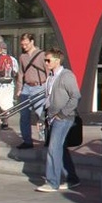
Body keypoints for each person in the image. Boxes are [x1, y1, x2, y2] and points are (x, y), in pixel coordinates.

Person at [35, 47, 81, 192]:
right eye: (45, 60)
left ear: (57, 60)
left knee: (53, 148)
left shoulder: (66, 76)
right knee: (60, 148)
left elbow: (75, 96)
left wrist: (62, 113)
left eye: (48, 60)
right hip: (52, 117)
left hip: (63, 118)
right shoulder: (50, 77)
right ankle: (72, 178)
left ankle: (52, 182)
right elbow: (48, 99)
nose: (46, 63)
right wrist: (42, 117)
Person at [15, 33, 47, 149]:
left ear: (32, 41)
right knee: (24, 115)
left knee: (41, 114)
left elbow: (48, 72)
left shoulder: (42, 55)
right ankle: (27, 141)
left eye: (26, 44)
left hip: (39, 86)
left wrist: (48, 88)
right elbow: (20, 73)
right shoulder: (22, 57)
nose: (24, 47)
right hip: (26, 87)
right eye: (22, 45)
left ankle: (45, 139)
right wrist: (19, 88)